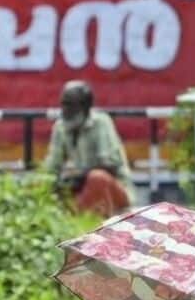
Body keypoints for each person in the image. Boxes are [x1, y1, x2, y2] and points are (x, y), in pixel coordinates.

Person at [42, 80, 133, 217]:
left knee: (97, 178)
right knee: (47, 184)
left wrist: (79, 177)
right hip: (81, 189)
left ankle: (77, 218)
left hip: (113, 191)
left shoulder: (101, 122)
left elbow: (110, 166)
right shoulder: (60, 126)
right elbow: (51, 168)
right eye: (63, 104)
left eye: (70, 104)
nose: (65, 110)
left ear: (85, 106)